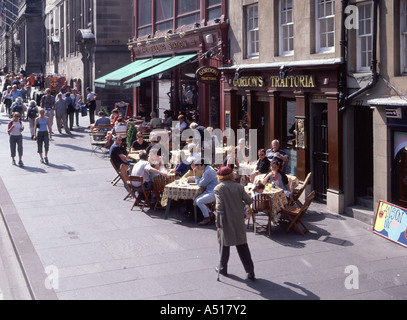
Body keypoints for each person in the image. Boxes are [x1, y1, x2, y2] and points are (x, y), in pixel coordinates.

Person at [214, 165, 255, 280]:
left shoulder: (218, 188)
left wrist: (218, 222)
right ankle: (250, 271)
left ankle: (223, 268)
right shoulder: (239, 187)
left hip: (225, 219)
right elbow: (249, 200)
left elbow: (219, 207)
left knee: (224, 245)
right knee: (242, 245)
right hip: (238, 219)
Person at [193, 159, 219, 226]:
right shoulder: (207, 169)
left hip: (214, 192)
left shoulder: (208, 171)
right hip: (210, 190)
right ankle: (210, 213)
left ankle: (206, 217)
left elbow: (201, 184)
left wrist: (195, 175)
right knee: (195, 201)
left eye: (198, 166)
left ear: (203, 165)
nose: (197, 168)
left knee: (199, 201)